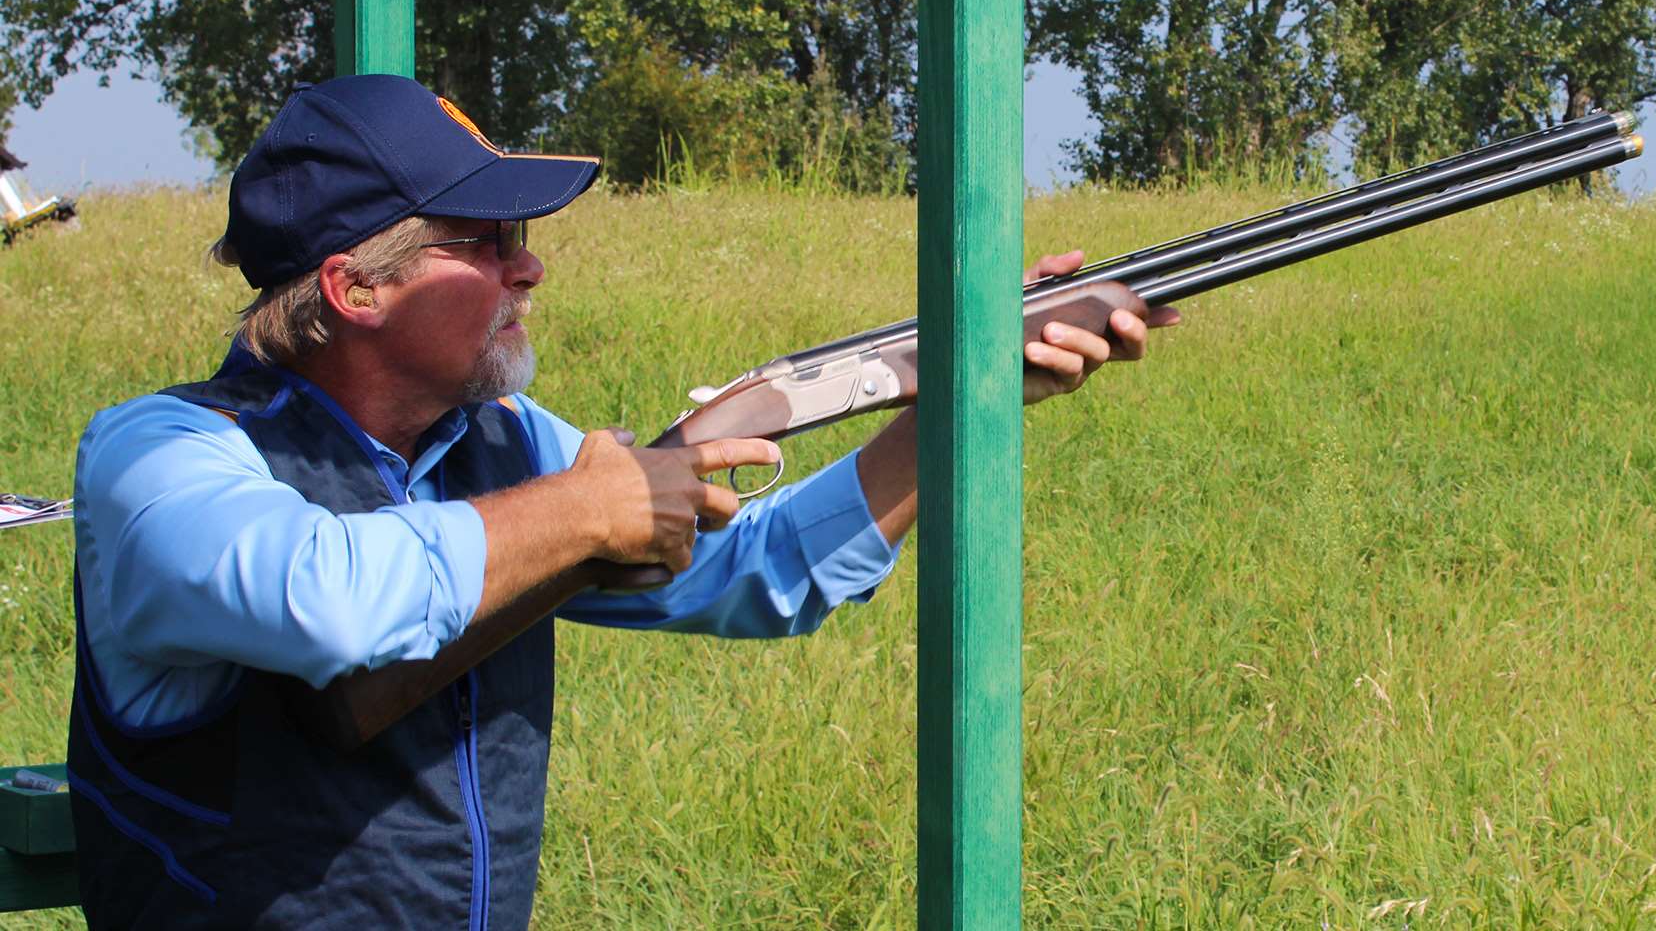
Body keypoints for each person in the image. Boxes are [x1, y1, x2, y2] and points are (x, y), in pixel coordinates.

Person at [66, 74, 1172, 928]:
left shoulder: (503, 448)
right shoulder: (160, 453)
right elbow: (324, 601)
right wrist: (592, 512)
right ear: (357, 287)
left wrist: (961, 404)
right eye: (486, 245)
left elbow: (761, 574)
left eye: (523, 241)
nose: (529, 269)